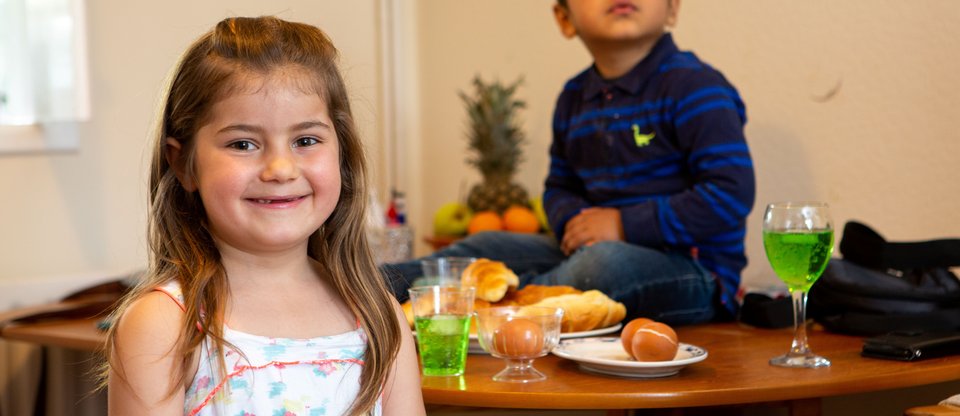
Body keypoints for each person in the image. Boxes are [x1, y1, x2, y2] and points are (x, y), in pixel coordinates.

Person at [103, 16, 424, 416]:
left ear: (341, 154)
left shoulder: (377, 314)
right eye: (243, 143)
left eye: (306, 140)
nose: (280, 168)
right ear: (184, 164)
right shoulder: (163, 325)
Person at [384, 0, 755, 326]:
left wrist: (623, 225)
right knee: (485, 243)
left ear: (673, 7)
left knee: (603, 264)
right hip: (587, 252)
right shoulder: (574, 98)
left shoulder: (696, 87)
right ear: (564, 18)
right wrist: (574, 222)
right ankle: (371, 285)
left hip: (693, 274)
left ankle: (479, 308)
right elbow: (559, 186)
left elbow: (730, 192)